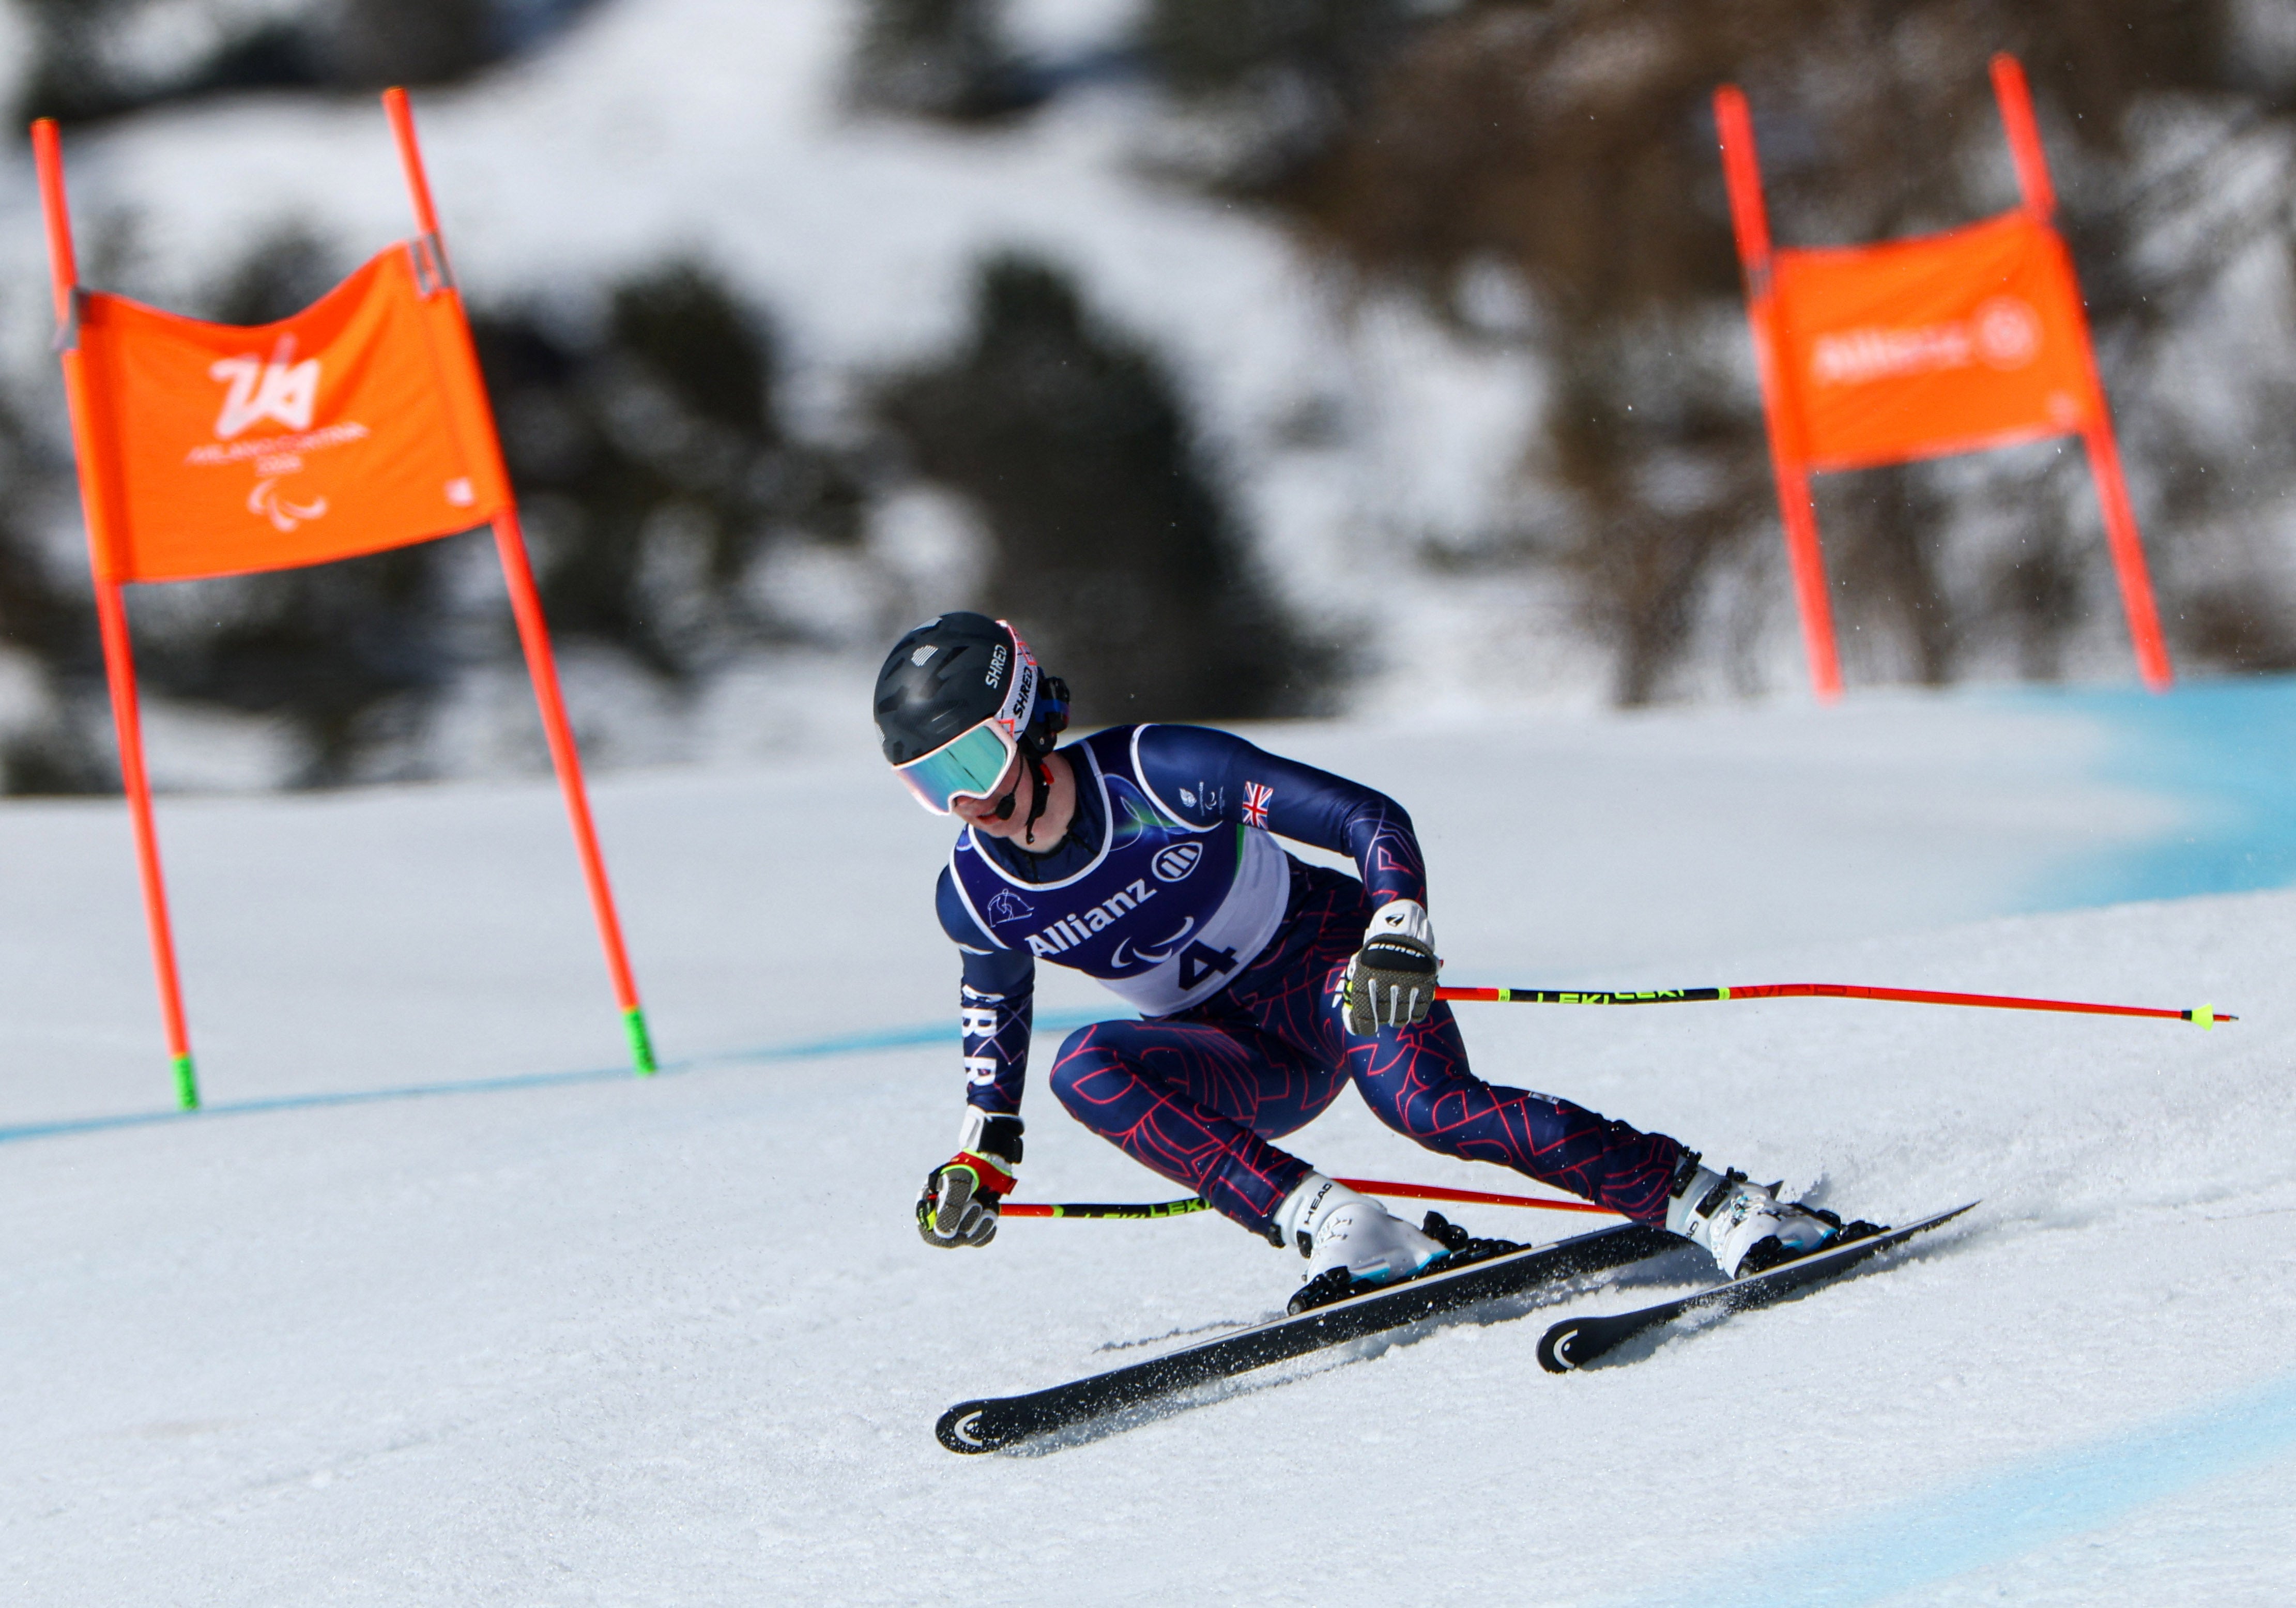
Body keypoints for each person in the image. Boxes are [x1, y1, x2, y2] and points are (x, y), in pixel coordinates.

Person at [877, 612, 1863, 1310]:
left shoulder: (1158, 771)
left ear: (1022, 723)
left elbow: (1365, 818)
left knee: (1429, 1109)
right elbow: (991, 1042)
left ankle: (1721, 1204)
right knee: (1082, 1066)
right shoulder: (974, 894)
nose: (966, 802)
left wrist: (1397, 927)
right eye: (932, 784)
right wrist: (980, 1159)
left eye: (970, 763)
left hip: (1335, 969)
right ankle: (1346, 1231)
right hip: (1240, 1055)